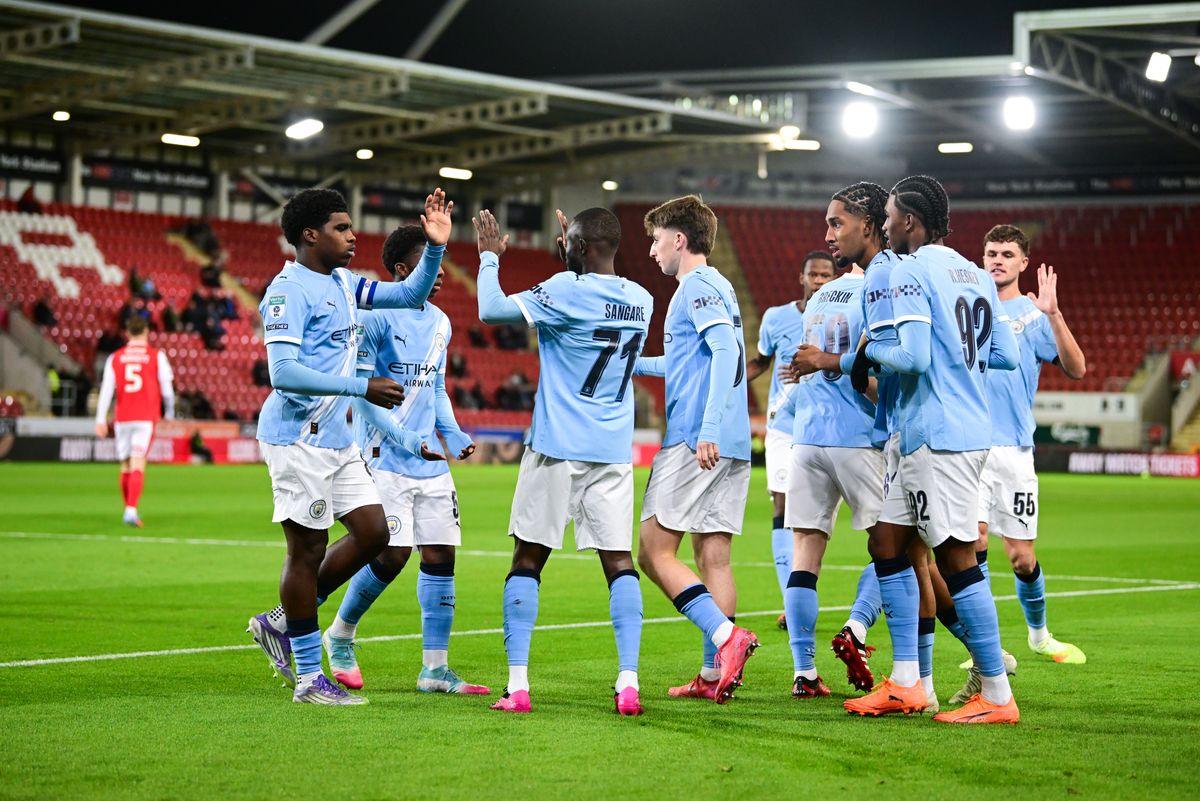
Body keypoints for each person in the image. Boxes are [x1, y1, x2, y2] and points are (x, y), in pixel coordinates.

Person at [245, 187, 452, 706]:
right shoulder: (287, 290)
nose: (353, 235)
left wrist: (435, 248)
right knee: (306, 549)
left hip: (338, 440)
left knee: (374, 532)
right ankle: (310, 678)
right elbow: (284, 374)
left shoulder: (341, 283)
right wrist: (362, 387)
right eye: (341, 227)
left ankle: (282, 622)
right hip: (298, 437)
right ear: (310, 235)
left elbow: (407, 296)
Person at [850, 175, 1022, 724]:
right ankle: (907, 682)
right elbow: (1005, 356)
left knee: (955, 559)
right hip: (953, 429)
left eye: (891, 216)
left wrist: (868, 349)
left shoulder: (910, 270)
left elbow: (916, 357)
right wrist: (960, 363)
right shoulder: (973, 273)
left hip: (937, 435)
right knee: (888, 543)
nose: (884, 225)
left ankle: (996, 694)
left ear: (911, 222)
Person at [476, 206, 653, 716]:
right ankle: (628, 683)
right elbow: (584, 281)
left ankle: (518, 685)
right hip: (613, 453)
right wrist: (570, 252)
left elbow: (491, 309)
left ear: (583, 246)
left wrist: (490, 258)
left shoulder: (564, 289)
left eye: (570, 242)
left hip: (557, 449)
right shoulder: (640, 300)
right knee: (619, 565)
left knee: (527, 560)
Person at [322, 224, 487, 696]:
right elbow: (365, 397)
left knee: (439, 554)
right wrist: (409, 441)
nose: (439, 274)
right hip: (382, 454)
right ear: (400, 270)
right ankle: (341, 633)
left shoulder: (441, 322)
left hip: (429, 459)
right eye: (427, 263)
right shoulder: (373, 317)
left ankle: (434, 669)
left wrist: (453, 435)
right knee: (391, 553)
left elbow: (434, 387)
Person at [946, 225, 1088, 700]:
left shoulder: (1033, 314)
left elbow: (1077, 367)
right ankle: (988, 649)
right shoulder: (967, 306)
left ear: (1024, 262)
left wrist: (1055, 314)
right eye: (991, 253)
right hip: (970, 447)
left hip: (1016, 453)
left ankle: (1038, 634)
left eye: (1007, 254)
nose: (998, 260)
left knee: (1022, 559)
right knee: (976, 540)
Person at [632, 195, 758, 705]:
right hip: (733, 441)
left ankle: (728, 641)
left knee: (652, 551)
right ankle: (712, 675)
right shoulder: (720, 287)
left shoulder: (697, 286)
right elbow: (692, 361)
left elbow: (728, 352)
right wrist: (633, 363)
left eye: (656, 238)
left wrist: (705, 428)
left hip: (696, 438)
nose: (652, 250)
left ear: (679, 240)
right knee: (715, 558)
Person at [773, 188, 889, 701]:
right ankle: (858, 627)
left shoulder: (822, 297)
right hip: (860, 436)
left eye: (833, 224)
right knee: (897, 550)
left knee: (804, 555)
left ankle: (804, 672)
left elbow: (800, 365)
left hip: (807, 439)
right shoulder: (880, 290)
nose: (827, 234)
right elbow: (877, 371)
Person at [746, 250, 836, 627]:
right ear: (801, 277)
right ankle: (791, 601)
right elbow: (761, 361)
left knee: (814, 520)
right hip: (784, 425)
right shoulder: (776, 317)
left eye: (825, 275)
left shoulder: (842, 317)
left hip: (827, 426)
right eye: (812, 274)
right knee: (782, 509)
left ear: (834, 279)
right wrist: (726, 380)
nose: (818, 280)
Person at [93, 316, 175, 528]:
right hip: (145, 417)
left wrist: (101, 419)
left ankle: (128, 508)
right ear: (146, 332)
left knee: (125, 464)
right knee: (139, 461)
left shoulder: (115, 357)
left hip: (123, 418)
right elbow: (167, 390)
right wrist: (170, 413)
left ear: (127, 334)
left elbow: (106, 391)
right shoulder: (156, 356)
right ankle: (130, 510)